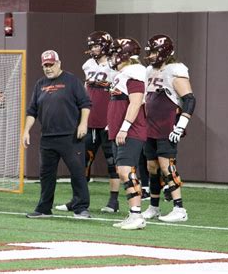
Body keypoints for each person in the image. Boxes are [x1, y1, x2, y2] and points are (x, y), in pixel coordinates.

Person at [55, 31, 121, 213]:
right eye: (91, 46)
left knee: (112, 162)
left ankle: (113, 201)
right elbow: (86, 90)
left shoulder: (115, 65)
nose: (93, 49)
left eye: (96, 45)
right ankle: (77, 199)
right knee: (80, 162)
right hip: (90, 121)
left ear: (106, 46)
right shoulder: (88, 64)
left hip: (108, 121)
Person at [23, 50, 92, 219]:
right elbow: (32, 111)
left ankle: (81, 207)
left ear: (59, 63)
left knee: (77, 173)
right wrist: (26, 131)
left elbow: (85, 104)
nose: (48, 68)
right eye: (45, 65)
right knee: (46, 175)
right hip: (47, 138)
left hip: (70, 136)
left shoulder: (72, 81)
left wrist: (83, 124)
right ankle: (44, 208)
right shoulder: (40, 84)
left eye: (51, 64)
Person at [141, 34, 195, 223]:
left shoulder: (175, 69)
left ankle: (179, 209)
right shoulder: (149, 70)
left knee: (167, 166)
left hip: (167, 125)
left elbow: (189, 99)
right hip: (151, 124)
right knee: (152, 166)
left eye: (155, 52)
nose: (151, 56)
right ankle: (154, 207)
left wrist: (180, 126)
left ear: (164, 52)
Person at [107, 38, 147, 230]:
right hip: (120, 131)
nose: (112, 57)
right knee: (123, 172)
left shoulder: (135, 71)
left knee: (126, 171)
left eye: (115, 52)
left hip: (131, 131)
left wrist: (125, 127)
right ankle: (133, 214)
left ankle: (137, 215)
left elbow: (135, 102)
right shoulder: (122, 73)